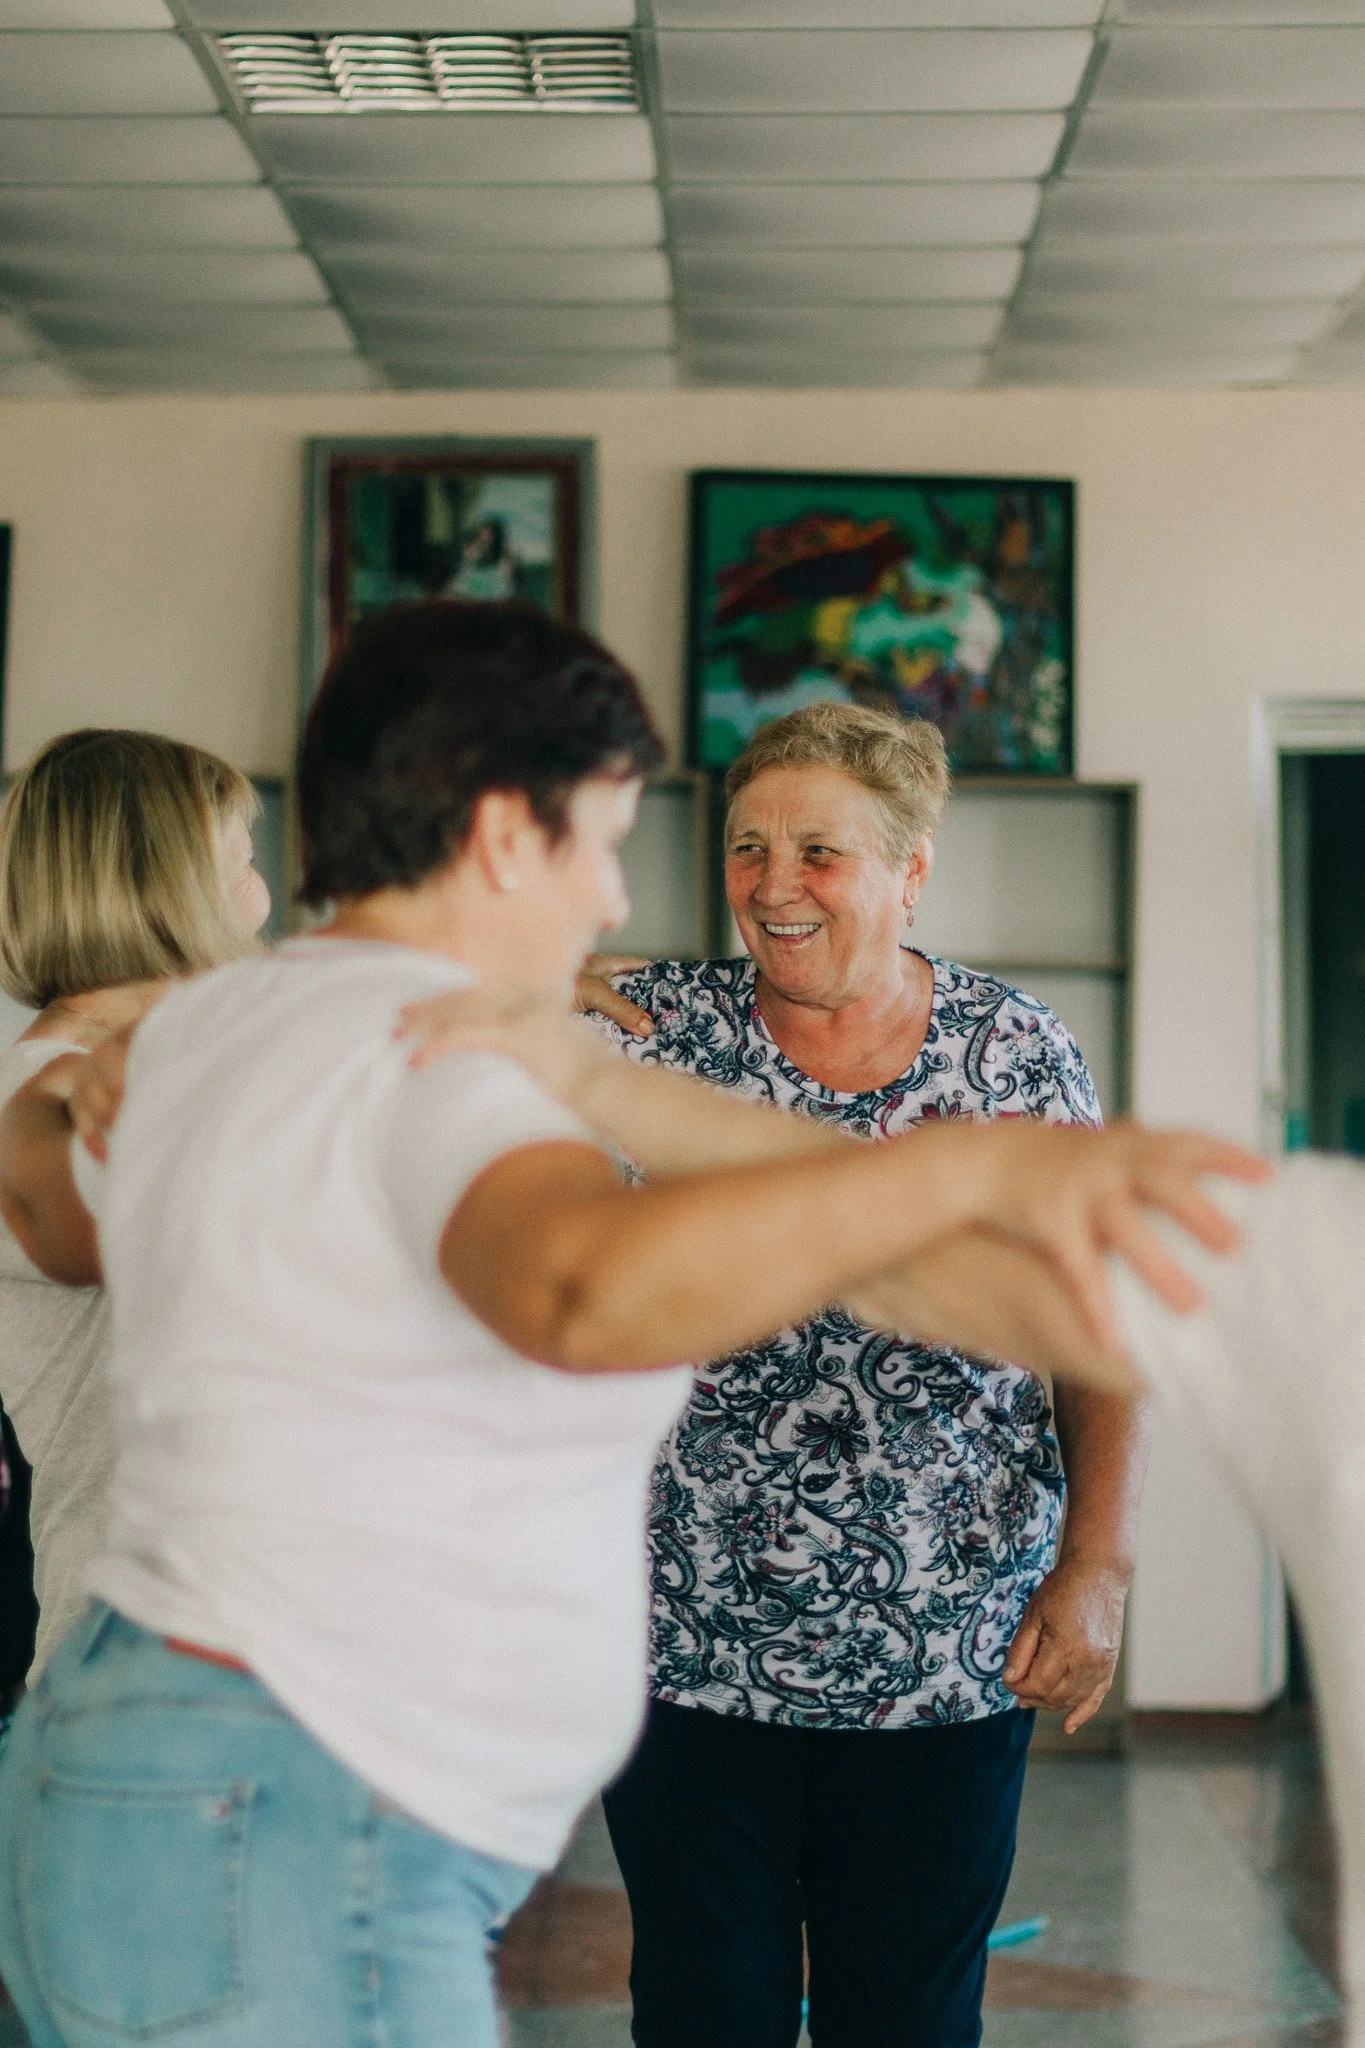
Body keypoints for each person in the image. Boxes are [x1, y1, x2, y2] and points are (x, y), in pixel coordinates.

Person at [0, 602, 1255, 2048]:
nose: (615, 902)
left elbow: (90, 1206)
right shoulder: (414, 1055)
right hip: (282, 1795)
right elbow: (586, 1289)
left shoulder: (297, 1026)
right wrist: (959, 1178)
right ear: (502, 836)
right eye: (599, 843)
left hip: (249, 1780)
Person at [409, 699, 1145, 2048]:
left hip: (945, 1642)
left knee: (909, 2018)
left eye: (820, 851)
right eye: (749, 848)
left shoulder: (1012, 1050)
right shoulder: (649, 1025)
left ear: (912, 867)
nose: (773, 885)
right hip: (684, 1641)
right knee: (703, 2011)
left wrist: (1096, 1558)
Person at [0, 729, 269, 1680]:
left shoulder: (188, 1073)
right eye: (244, 859)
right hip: (157, 1679)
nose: (261, 897)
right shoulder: (49, 1091)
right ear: (175, 886)